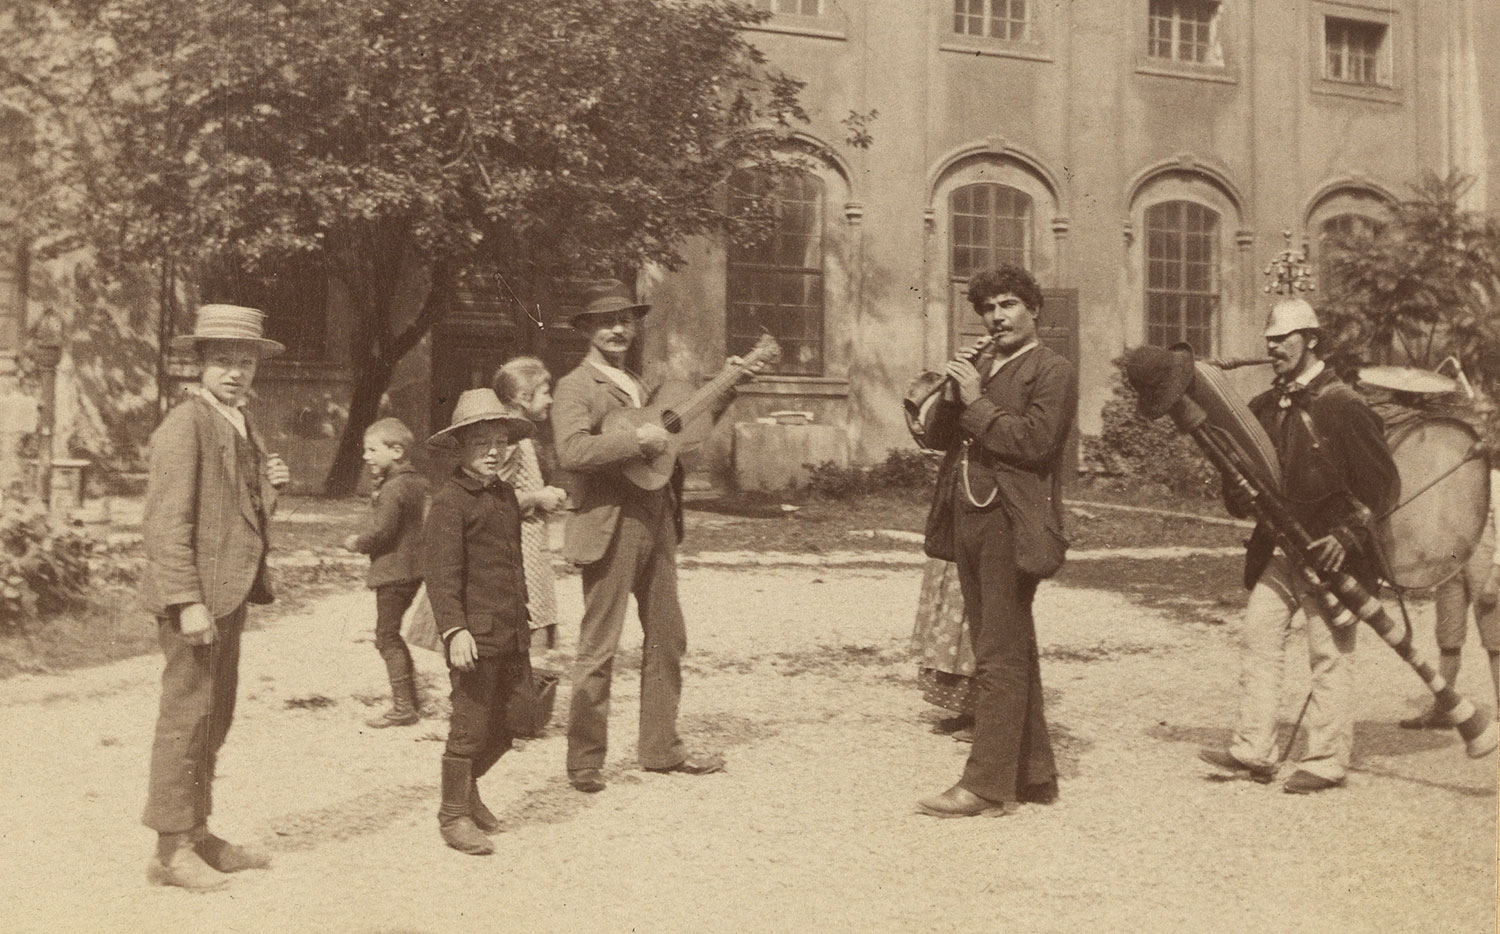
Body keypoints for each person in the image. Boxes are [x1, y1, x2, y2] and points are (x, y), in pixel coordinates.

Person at [551, 279, 752, 794]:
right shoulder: (575, 386)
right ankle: (585, 761)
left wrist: (728, 385)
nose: (618, 328)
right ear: (588, 330)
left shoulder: (640, 385)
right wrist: (632, 439)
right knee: (599, 647)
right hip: (609, 522)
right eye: (606, 320)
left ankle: (661, 748)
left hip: (657, 519)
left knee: (668, 636)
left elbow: (685, 436)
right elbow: (571, 452)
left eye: (626, 319)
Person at [1197, 297, 1400, 794]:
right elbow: (1242, 482)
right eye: (1269, 339)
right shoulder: (1264, 407)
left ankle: (1327, 760)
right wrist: (1238, 493)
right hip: (1279, 551)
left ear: (1310, 341)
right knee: (1258, 638)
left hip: (1335, 557)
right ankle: (1254, 750)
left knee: (1328, 653)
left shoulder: (1345, 406)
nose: (1273, 347)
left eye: (1284, 339)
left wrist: (1347, 536)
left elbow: (1384, 488)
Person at [913, 264, 1077, 818]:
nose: (997, 317)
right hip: (968, 519)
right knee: (1007, 645)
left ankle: (983, 785)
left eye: (1008, 304)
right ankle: (1032, 774)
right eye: (987, 308)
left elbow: (1034, 442)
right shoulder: (982, 363)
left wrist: (978, 399)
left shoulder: (1052, 369)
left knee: (996, 654)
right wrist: (943, 396)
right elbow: (939, 440)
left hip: (1012, 522)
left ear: (1033, 309)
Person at [141, 304, 290, 890]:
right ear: (198, 363)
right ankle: (170, 850)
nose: (235, 372)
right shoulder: (185, 425)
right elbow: (165, 524)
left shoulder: (238, 420)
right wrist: (186, 600)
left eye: (246, 361)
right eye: (223, 360)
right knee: (187, 716)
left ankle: (198, 835)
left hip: (228, 594)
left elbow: (241, 516)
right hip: (198, 600)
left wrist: (271, 488)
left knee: (214, 715)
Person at [423, 388, 536, 855]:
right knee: (469, 724)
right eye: (480, 443)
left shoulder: (506, 494)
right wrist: (455, 630)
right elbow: (441, 575)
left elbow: (513, 564)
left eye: (500, 441)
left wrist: (532, 619)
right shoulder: (450, 502)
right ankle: (452, 815)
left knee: (517, 719)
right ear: (459, 447)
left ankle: (467, 790)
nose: (493, 451)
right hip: (475, 636)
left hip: (512, 630)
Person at [343, 417, 429, 728]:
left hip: (394, 572)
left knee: (386, 637)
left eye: (371, 450)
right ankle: (411, 699)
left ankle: (404, 706)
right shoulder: (415, 481)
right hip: (410, 570)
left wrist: (356, 543)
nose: (366, 457)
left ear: (396, 451)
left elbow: (381, 531)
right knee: (390, 635)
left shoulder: (394, 488)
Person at [1400, 468, 1500, 729]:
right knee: (1448, 636)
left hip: (1484, 557)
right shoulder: (1447, 478)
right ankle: (1444, 710)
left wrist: (1495, 577)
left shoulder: (1494, 478)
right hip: (1454, 555)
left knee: (1495, 639)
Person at [493, 357, 569, 650]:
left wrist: (544, 494)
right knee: (525, 629)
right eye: (545, 392)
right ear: (522, 397)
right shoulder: (509, 439)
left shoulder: (523, 436)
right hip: (517, 550)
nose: (550, 399)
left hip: (531, 545)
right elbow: (494, 498)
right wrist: (538, 497)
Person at [911, 558, 976, 738]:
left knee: (967, 628)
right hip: (952, 556)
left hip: (971, 558)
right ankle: (969, 711)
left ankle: (983, 716)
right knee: (951, 626)